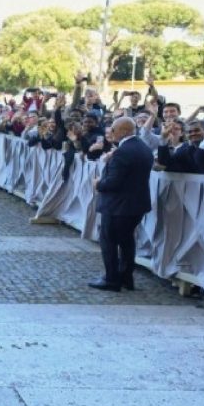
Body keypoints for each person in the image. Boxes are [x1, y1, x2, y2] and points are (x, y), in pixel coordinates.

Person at [89, 117, 153, 292]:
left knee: (109, 241)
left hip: (118, 206)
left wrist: (98, 184)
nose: (111, 133)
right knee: (127, 241)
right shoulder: (143, 147)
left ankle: (111, 279)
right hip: (136, 205)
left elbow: (113, 182)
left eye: (113, 130)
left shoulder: (123, 152)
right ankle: (126, 277)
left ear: (124, 131)